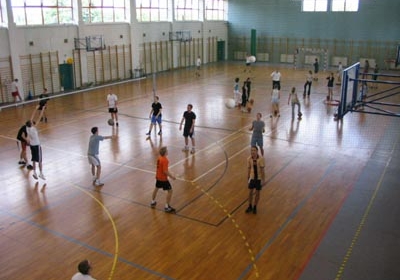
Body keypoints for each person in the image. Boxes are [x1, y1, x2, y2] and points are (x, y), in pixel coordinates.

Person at [150, 146, 176, 213]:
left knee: (156, 188)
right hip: (163, 179)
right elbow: (165, 171)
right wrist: (172, 176)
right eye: (167, 150)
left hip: (158, 177)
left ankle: (153, 202)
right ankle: (167, 207)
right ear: (165, 153)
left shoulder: (159, 158)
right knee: (170, 191)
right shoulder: (165, 160)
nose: (168, 151)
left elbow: (162, 169)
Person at [26, 107, 46, 180]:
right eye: (31, 122)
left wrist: (35, 109)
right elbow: (40, 117)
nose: (32, 122)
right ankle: (41, 173)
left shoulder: (27, 128)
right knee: (40, 160)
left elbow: (31, 117)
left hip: (32, 146)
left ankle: (34, 172)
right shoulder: (33, 129)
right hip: (37, 146)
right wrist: (42, 109)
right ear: (31, 124)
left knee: (34, 159)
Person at [245, 146, 265, 214]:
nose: (252, 152)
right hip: (252, 178)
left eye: (254, 150)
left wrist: (263, 180)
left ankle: (255, 207)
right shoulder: (249, 159)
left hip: (258, 179)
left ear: (257, 151)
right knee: (250, 192)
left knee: (257, 193)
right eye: (251, 150)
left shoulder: (261, 159)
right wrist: (248, 177)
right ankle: (250, 206)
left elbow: (262, 170)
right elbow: (249, 168)